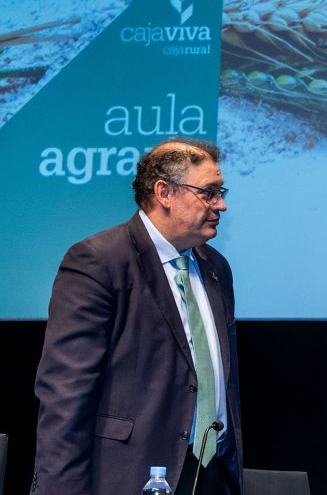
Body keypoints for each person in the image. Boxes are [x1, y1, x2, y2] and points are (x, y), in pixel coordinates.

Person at [31, 138, 241, 495]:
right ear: (164, 193)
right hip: (130, 476)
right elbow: (65, 394)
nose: (220, 204)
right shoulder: (99, 261)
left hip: (212, 476)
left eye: (220, 192)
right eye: (208, 192)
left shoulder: (216, 266)